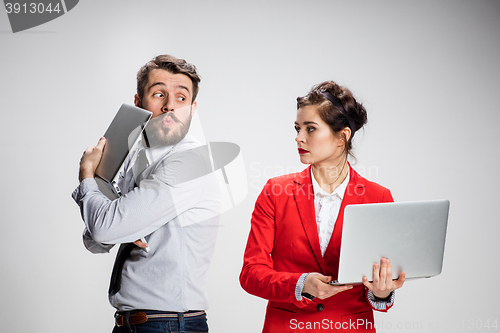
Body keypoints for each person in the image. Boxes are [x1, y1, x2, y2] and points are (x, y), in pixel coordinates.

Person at [240, 81, 405, 332]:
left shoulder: (378, 196)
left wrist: (382, 293)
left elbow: (379, 283)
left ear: (342, 136)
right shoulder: (275, 192)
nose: (299, 137)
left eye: (310, 129)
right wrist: (301, 284)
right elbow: (251, 274)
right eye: (297, 128)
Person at [72, 55, 222, 333]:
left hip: (168, 324)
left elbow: (104, 229)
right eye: (159, 94)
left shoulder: (188, 162)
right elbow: (95, 241)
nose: (169, 106)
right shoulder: (137, 158)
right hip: (137, 323)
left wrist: (88, 177)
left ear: (193, 108)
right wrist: (117, 221)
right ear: (139, 103)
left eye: (181, 98)